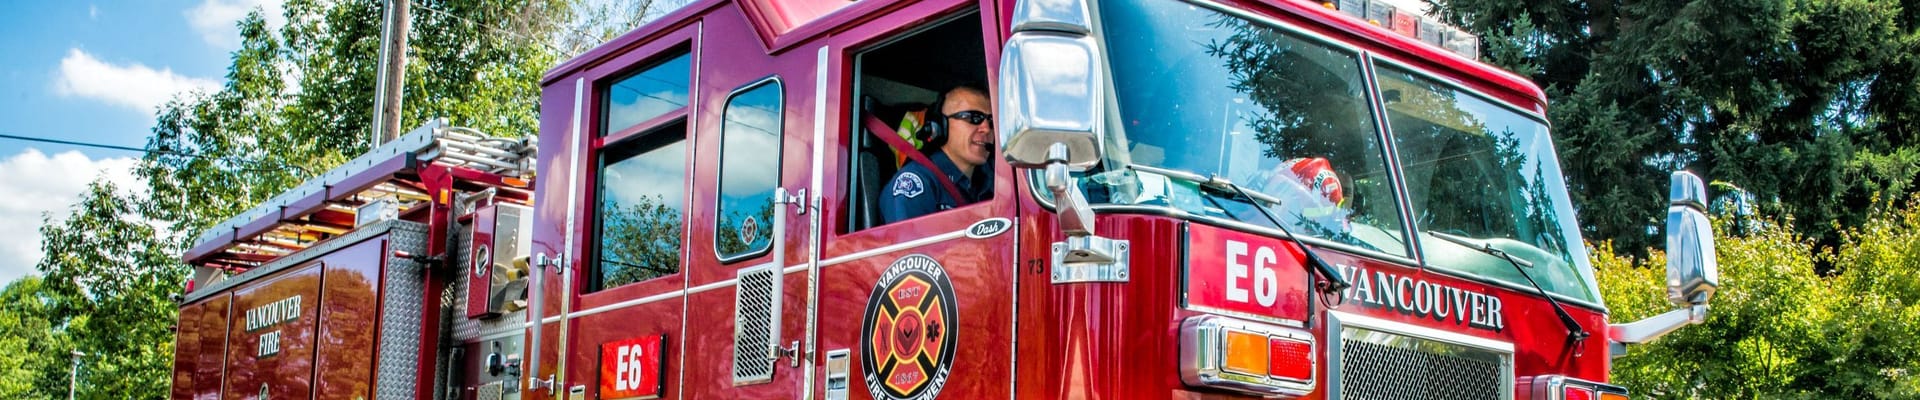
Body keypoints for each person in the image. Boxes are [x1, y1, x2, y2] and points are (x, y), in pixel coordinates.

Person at [880, 84, 995, 223]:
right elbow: (911, 243)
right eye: (973, 118)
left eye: (992, 121)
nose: (987, 129)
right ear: (941, 126)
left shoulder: (996, 183)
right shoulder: (918, 182)